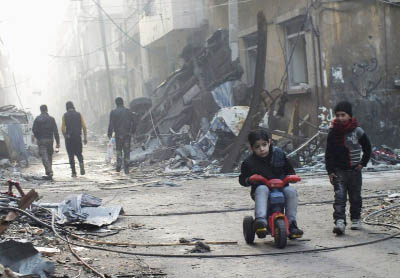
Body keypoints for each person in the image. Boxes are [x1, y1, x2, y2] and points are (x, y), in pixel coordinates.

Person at [239, 129, 303, 238]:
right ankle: (261, 221)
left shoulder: (280, 154)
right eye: (257, 147)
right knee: (262, 189)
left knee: (291, 191)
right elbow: (242, 179)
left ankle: (292, 224)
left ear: (269, 142)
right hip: (262, 190)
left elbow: (290, 171)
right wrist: (249, 179)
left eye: (264, 145)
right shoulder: (248, 162)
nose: (262, 149)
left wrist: (291, 177)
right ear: (251, 148)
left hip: (281, 187)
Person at [325, 101, 371, 235]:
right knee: (339, 197)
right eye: (337, 115)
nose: (340, 118)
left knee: (355, 197)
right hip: (339, 172)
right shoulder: (333, 132)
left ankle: (355, 219)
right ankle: (339, 222)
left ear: (349, 116)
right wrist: (330, 171)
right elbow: (329, 154)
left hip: (355, 171)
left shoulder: (357, 131)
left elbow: (367, 148)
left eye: (343, 115)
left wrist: (363, 163)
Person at [107, 97, 135, 174]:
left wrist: (109, 134)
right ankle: (126, 169)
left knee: (119, 151)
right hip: (127, 135)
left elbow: (111, 124)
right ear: (123, 102)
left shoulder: (113, 112)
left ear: (116, 103)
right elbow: (134, 122)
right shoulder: (128, 111)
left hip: (118, 135)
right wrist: (133, 131)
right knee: (127, 151)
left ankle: (118, 166)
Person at [32, 105, 60, 179]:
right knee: (49, 155)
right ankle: (49, 170)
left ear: (40, 110)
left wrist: (37, 137)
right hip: (50, 140)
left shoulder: (37, 119)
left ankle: (49, 171)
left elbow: (34, 130)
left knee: (44, 156)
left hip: (41, 140)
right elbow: (56, 131)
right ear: (47, 110)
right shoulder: (51, 119)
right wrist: (58, 142)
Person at [61, 101, 88, 177]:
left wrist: (65, 136)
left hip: (69, 138)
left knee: (71, 155)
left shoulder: (64, 115)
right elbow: (84, 126)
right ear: (73, 106)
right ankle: (81, 163)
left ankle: (73, 172)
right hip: (77, 137)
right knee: (79, 153)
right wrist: (85, 137)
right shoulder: (79, 114)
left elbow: (63, 128)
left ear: (66, 107)